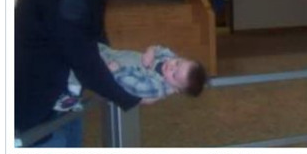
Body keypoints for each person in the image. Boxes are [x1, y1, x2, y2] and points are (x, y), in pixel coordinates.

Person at [15, 0, 140, 146]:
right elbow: (83, 58)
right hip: (36, 111)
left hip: (66, 99)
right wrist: (130, 97)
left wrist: (114, 65)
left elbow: (96, 37)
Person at [54, 44, 207, 112]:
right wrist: (151, 51)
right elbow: (160, 48)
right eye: (178, 62)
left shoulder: (156, 87)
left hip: (114, 69)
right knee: (94, 49)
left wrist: (117, 71)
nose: (171, 66)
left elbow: (134, 86)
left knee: (85, 67)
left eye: (174, 75)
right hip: (118, 55)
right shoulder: (169, 58)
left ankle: (72, 93)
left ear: (175, 89)